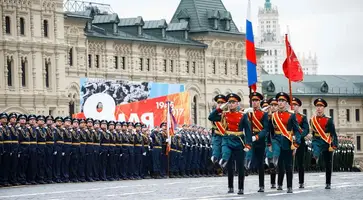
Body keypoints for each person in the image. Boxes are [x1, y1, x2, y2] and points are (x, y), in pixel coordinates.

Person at [208, 93, 252, 195]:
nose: (231, 104)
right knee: (229, 164)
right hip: (227, 140)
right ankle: (230, 186)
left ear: (237, 103)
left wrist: (248, 144)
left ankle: (241, 188)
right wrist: (220, 109)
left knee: (240, 166)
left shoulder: (243, 115)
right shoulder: (224, 114)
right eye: (230, 102)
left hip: (239, 141)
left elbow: (248, 131)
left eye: (233, 102)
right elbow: (211, 117)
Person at [269, 92, 300, 193]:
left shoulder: (291, 115)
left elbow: (296, 130)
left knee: (288, 165)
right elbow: (271, 131)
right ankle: (279, 184)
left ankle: (289, 186)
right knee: (279, 164)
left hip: (287, 141)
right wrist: (269, 142)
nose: (280, 103)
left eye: (283, 101)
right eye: (279, 101)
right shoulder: (273, 115)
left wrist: (296, 144)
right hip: (277, 140)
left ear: (286, 103)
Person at [308, 98, 338, 189]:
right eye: (317, 106)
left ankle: (328, 183)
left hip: (326, 142)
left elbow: (333, 133)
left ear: (324, 108)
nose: (319, 108)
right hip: (317, 139)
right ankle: (315, 158)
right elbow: (313, 132)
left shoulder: (329, 120)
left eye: (321, 106)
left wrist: (334, 144)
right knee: (316, 148)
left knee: (328, 163)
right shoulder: (312, 120)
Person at [247, 92, 269, 192]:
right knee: (246, 158)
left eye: (256, 100)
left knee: (260, 163)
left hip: (259, 140)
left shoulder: (264, 114)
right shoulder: (248, 112)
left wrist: (256, 137)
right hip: (249, 139)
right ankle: (241, 186)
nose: (254, 102)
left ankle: (261, 185)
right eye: (253, 101)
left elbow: (265, 129)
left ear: (259, 102)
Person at [291, 97, 309, 188]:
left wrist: (298, 136)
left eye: (295, 105)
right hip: (289, 141)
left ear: (298, 106)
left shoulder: (302, 117)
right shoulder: (288, 115)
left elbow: (306, 130)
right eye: (292, 105)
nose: (293, 106)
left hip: (300, 142)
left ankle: (301, 181)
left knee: (300, 162)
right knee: (288, 163)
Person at [210, 95, 227, 164]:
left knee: (225, 151)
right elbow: (210, 117)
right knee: (216, 150)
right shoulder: (215, 113)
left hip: (226, 135)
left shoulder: (227, 113)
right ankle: (215, 159)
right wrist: (217, 110)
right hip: (217, 135)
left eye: (222, 103)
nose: (220, 104)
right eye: (218, 102)